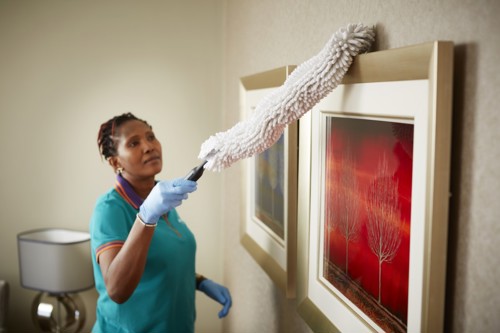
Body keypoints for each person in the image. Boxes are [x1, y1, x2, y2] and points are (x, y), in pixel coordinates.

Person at [90, 112, 231, 333]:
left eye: (150, 137)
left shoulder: (162, 198)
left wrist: (200, 282)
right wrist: (146, 216)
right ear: (115, 162)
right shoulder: (110, 209)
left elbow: (157, 262)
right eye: (134, 143)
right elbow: (117, 289)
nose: (148, 146)